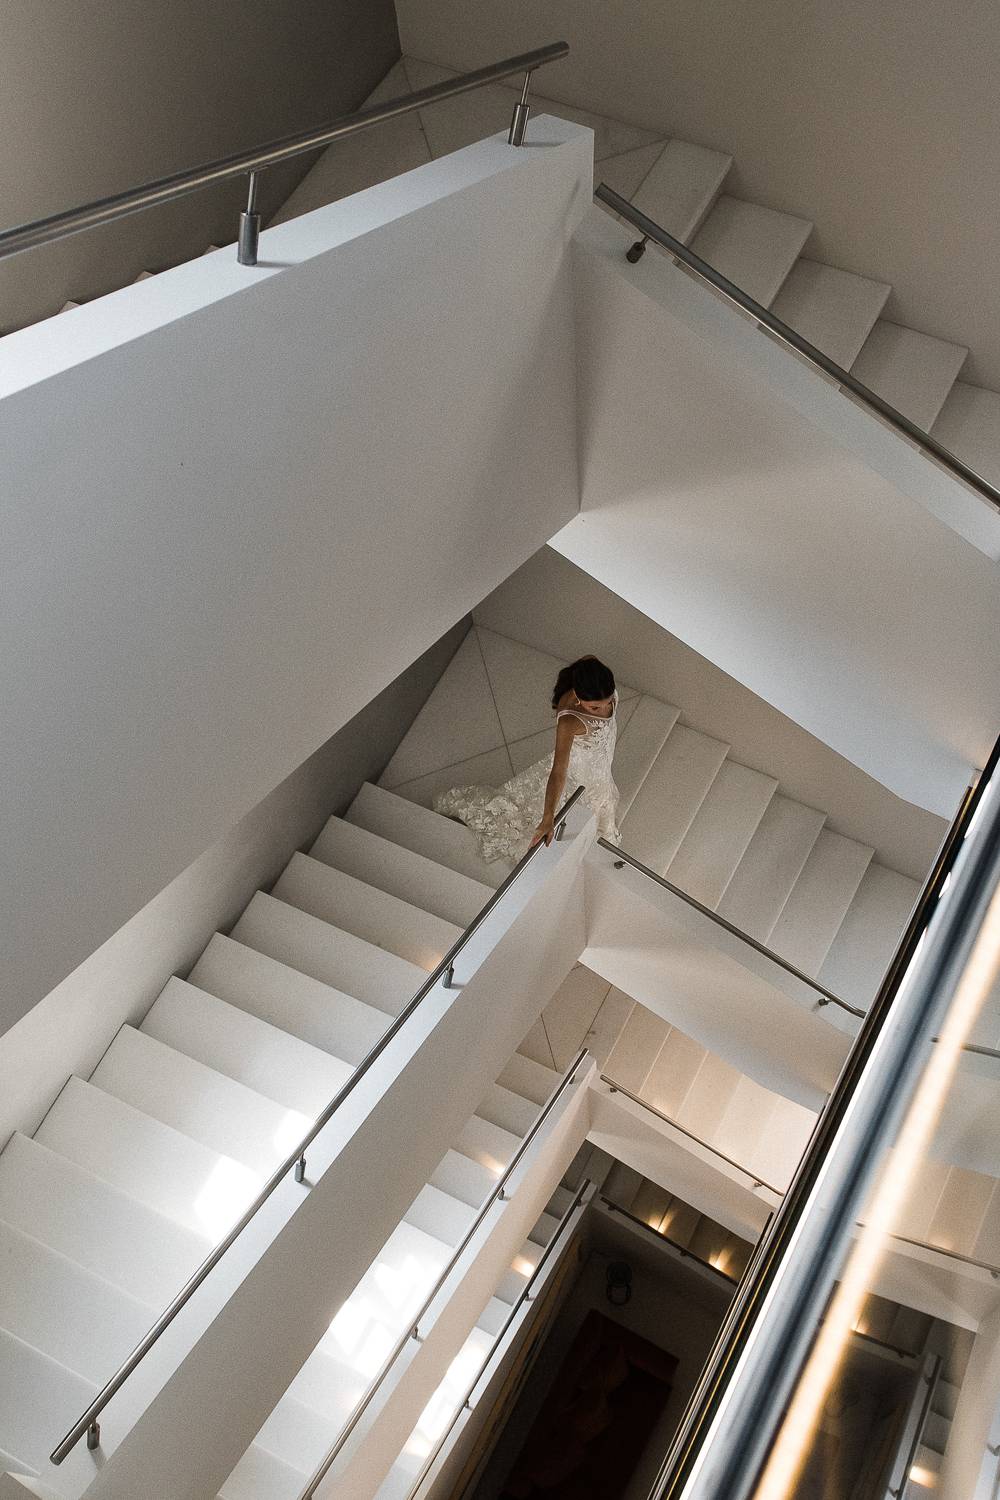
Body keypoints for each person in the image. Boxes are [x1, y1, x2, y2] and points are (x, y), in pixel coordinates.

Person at [433, 655, 621, 864]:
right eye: (594, 708)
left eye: (608, 702)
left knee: (602, 801)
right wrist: (548, 818)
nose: (605, 710)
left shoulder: (599, 682)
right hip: (580, 773)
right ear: (577, 696)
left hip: (600, 767)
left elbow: (588, 660)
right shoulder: (569, 720)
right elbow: (559, 770)